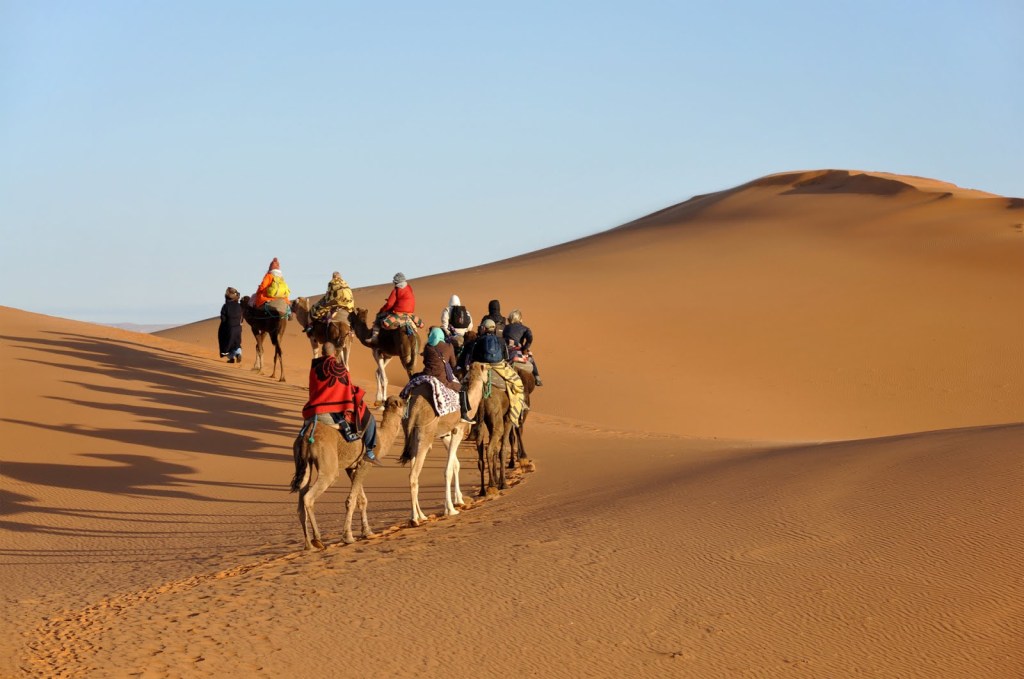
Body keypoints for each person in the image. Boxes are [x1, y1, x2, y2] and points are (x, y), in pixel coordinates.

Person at [301, 342, 382, 465]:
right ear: (335, 353)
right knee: (367, 418)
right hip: (331, 412)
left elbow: (314, 388)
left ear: (322, 353)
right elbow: (346, 388)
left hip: (313, 409)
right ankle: (370, 452)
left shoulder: (315, 367)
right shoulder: (340, 368)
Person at [421, 327, 475, 424]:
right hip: (441, 378)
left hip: (426, 375)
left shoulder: (427, 347)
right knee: (462, 389)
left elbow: (425, 362)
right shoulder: (449, 346)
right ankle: (464, 415)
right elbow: (454, 365)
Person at [369, 272, 416, 344]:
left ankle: (374, 338)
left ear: (396, 282)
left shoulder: (396, 290)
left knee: (378, 317)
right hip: (410, 313)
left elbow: (389, 304)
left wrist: (382, 310)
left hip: (398, 312)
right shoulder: (409, 288)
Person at [503, 309, 543, 386]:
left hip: (506, 351)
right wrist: (525, 348)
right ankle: (537, 378)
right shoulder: (525, 328)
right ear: (520, 319)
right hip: (517, 351)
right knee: (530, 359)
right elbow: (530, 338)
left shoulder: (506, 327)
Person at [218, 287, 243, 363]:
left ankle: (231, 357)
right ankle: (238, 353)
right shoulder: (239, 306)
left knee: (226, 343)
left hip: (229, 328)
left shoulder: (225, 306)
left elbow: (223, 319)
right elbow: (242, 318)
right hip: (238, 328)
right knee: (237, 343)